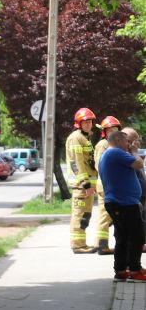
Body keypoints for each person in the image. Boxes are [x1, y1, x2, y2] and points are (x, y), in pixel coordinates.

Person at [98, 128, 146, 281]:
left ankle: (121, 270)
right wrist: (134, 151)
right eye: (127, 142)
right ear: (118, 140)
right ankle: (134, 269)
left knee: (124, 237)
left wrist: (134, 199)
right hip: (123, 203)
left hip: (121, 202)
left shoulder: (109, 154)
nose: (129, 145)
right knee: (137, 236)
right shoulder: (116, 153)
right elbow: (139, 164)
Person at [66, 108, 99, 253]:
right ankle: (78, 245)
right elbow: (76, 163)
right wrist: (85, 184)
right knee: (80, 215)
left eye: (90, 121)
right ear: (78, 123)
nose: (88, 124)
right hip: (81, 186)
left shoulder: (85, 138)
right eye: (85, 122)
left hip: (86, 186)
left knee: (85, 215)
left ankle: (81, 243)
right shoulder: (76, 138)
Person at [92, 115, 122, 253]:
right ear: (104, 132)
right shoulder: (102, 145)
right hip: (106, 185)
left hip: (112, 185)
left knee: (110, 215)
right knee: (105, 215)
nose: (113, 133)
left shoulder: (115, 145)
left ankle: (99, 242)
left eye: (115, 130)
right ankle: (102, 246)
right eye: (110, 130)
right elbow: (100, 165)